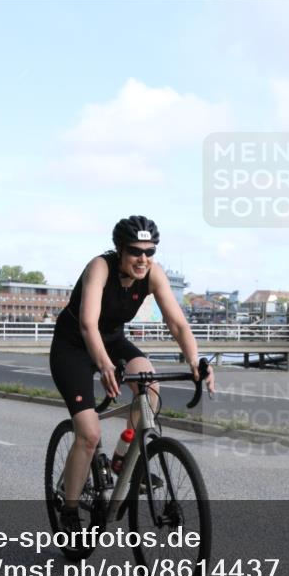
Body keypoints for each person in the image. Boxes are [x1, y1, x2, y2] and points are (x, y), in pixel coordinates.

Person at [49, 215, 215, 529]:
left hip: (112, 341)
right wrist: (104, 364)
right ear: (119, 250)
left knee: (149, 384)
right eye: (135, 251)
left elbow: (177, 323)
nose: (143, 259)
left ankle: (123, 457)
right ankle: (69, 509)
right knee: (88, 434)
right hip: (72, 346)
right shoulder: (100, 267)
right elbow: (87, 324)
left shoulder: (153, 274)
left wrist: (195, 360)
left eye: (150, 252)